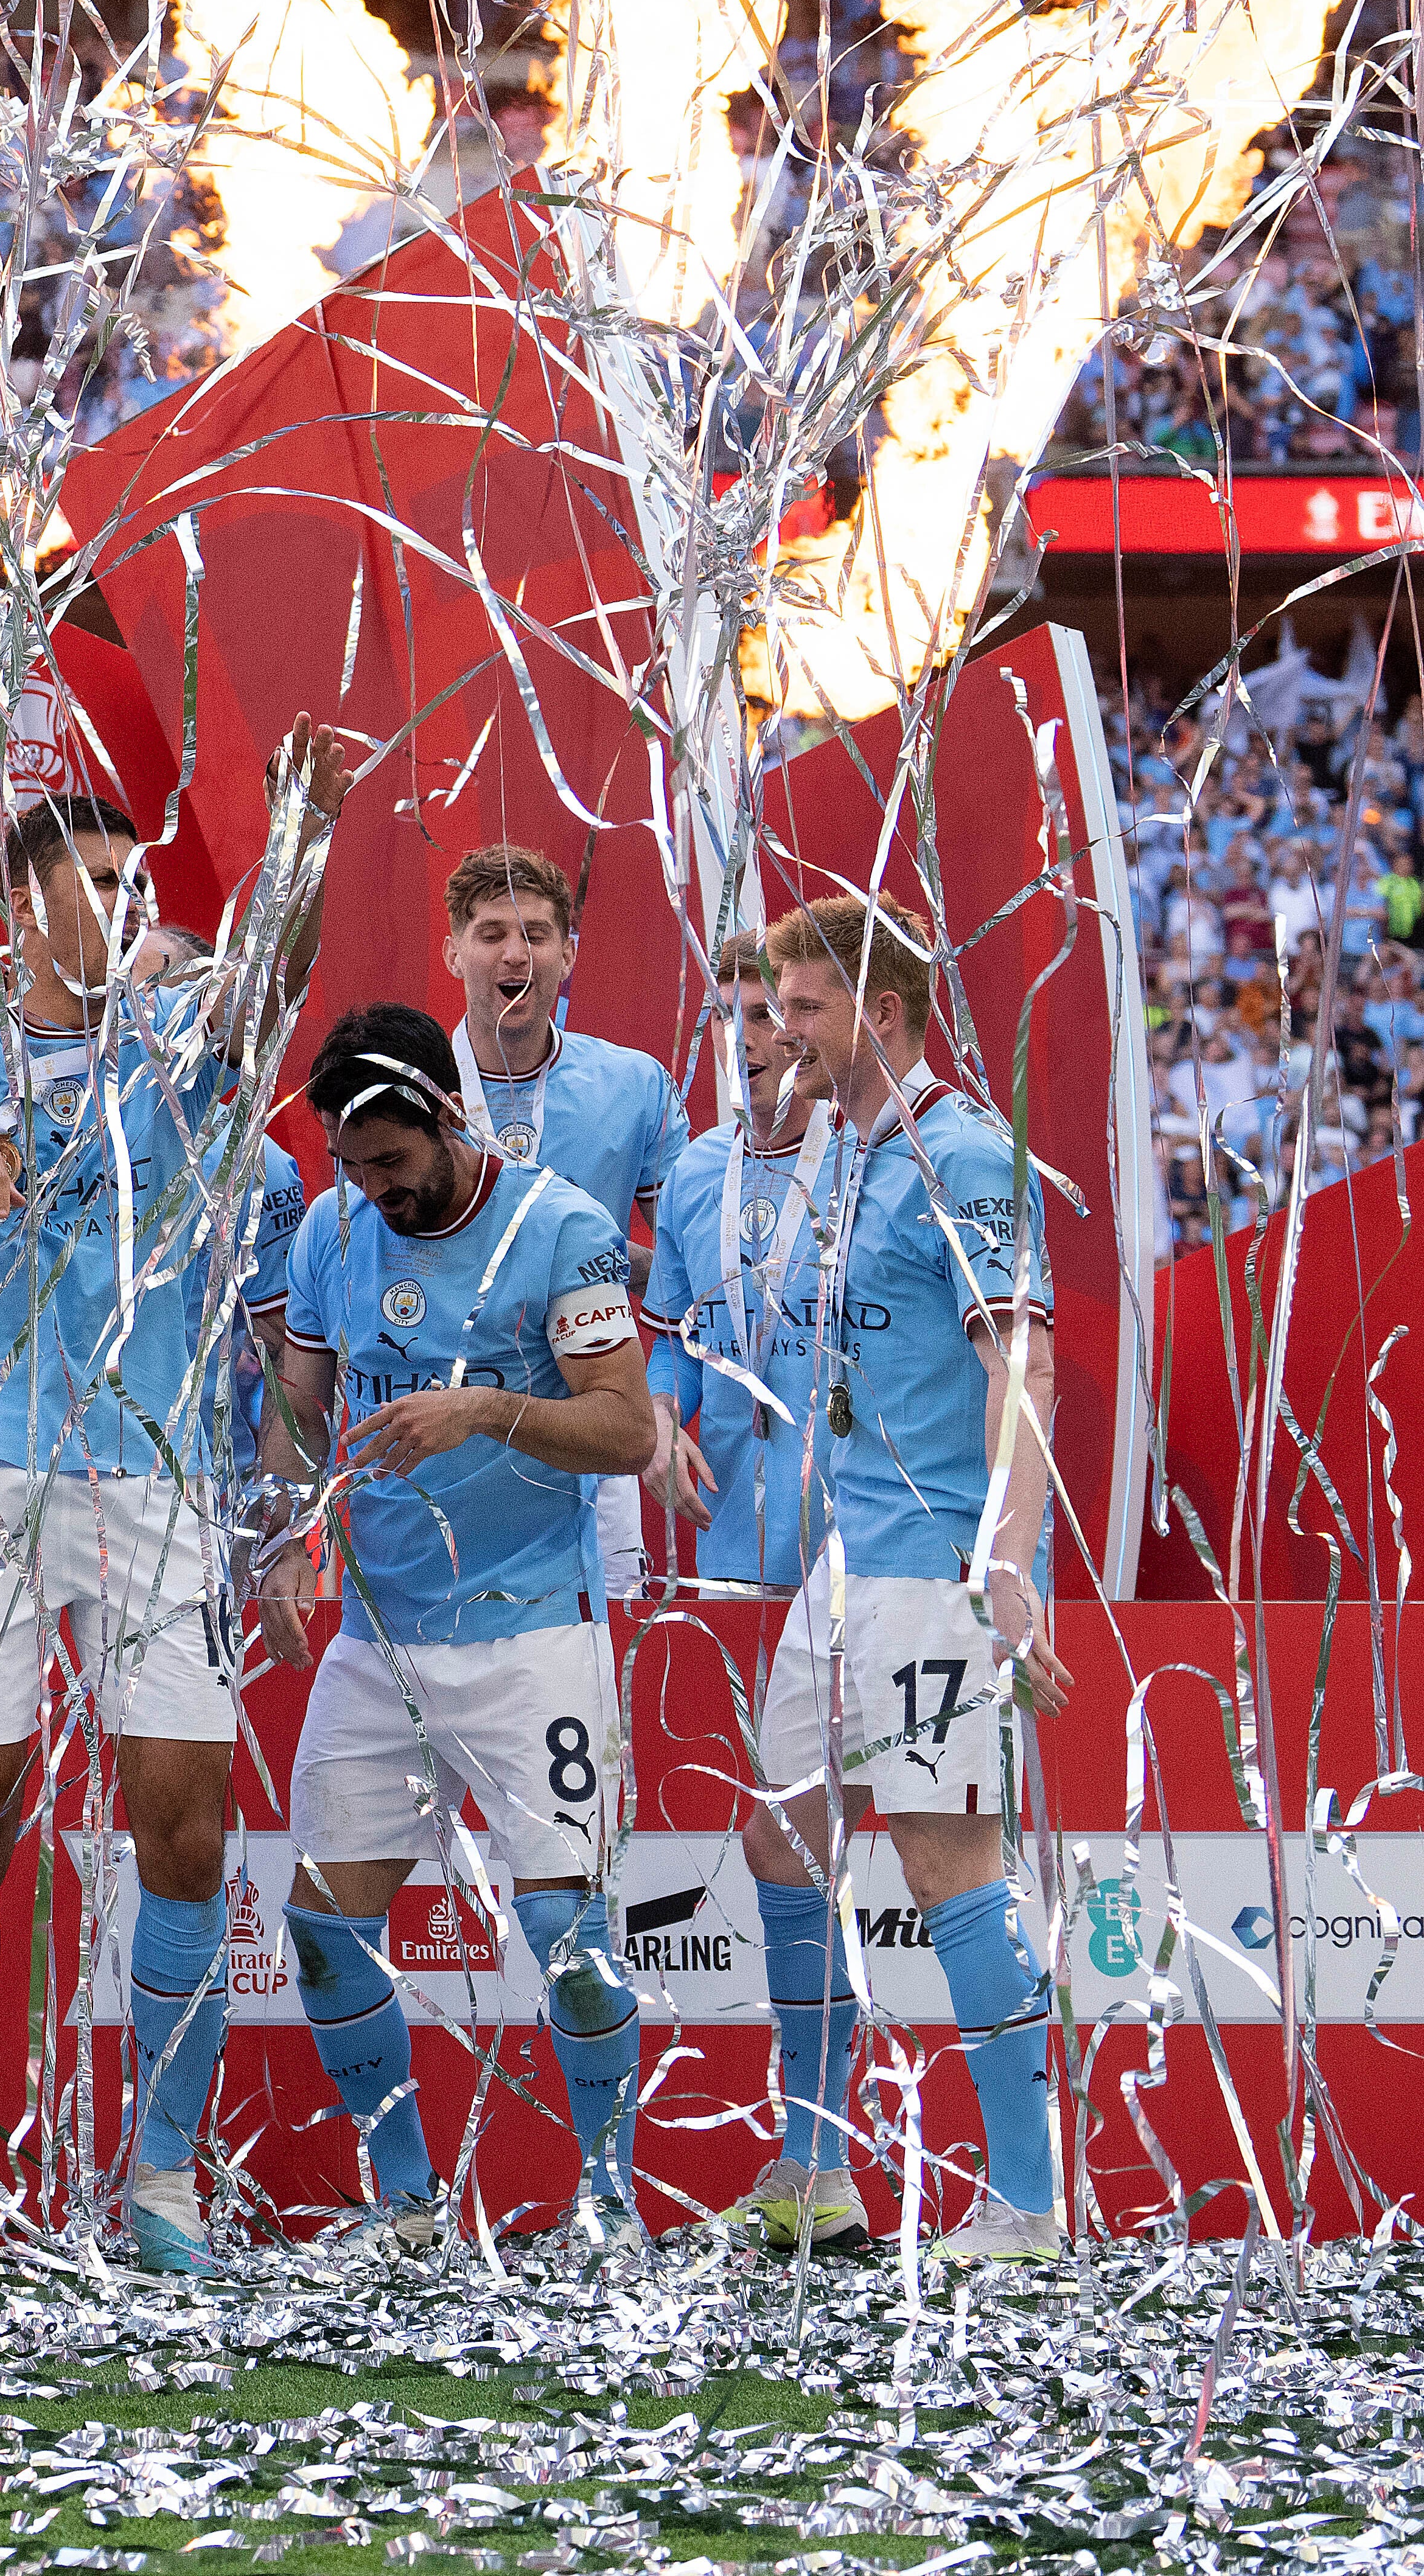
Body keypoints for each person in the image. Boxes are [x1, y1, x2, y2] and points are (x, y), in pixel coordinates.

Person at [0, 731, 351, 2280]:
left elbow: (271, 990)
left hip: (157, 1475)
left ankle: (166, 2183)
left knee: (184, 1832)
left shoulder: (182, 1041)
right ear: (22, 900)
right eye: (103, 884)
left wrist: (308, 839)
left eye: (141, 886)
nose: (131, 909)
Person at [256, 1000, 659, 2247]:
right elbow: (300, 1398)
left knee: (567, 1937)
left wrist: (483, 1408)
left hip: (532, 1628)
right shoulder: (331, 1229)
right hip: (379, 1637)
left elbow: (627, 1428)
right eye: (348, 1161)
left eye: (390, 1158)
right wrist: (279, 1528)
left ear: (444, 1117)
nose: (370, 1186)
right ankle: (408, 2205)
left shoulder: (562, 1232)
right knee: (321, 1929)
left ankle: (607, 2206)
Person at [734, 893, 1071, 2263]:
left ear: (876, 1012)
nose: (775, 1029)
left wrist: (1002, 1557)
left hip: (930, 1566)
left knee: (944, 1867)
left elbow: (1022, 1362)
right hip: (841, 1567)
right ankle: (813, 2166)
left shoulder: (963, 1156)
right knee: (778, 1838)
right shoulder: (838, 1152)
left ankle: (1029, 2200)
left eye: (800, 1006)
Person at [436, 845, 685, 1593]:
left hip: (592, 1422)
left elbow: (694, 1265)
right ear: (453, 953)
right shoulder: (413, 1087)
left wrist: (607, 1263)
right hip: (452, 1430)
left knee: (602, 1670)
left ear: (566, 953)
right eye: (490, 934)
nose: (516, 952)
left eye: (537, 933)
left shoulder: (632, 1083)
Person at [641, 927, 829, 1598]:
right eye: (725, 1014)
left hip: (855, 1550)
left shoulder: (868, 1159)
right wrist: (659, 1421)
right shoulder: (692, 1171)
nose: (741, 1036)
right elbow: (676, 1345)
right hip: (728, 1540)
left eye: (763, 1015)